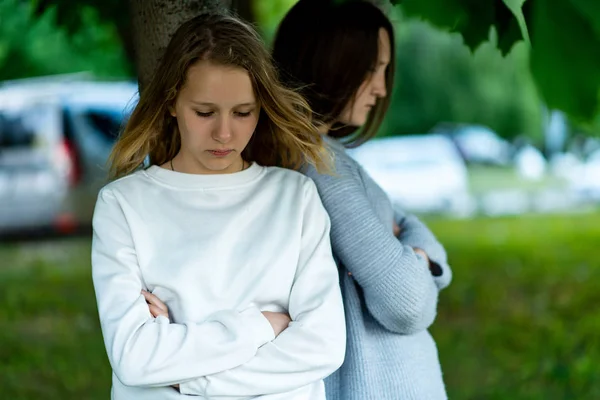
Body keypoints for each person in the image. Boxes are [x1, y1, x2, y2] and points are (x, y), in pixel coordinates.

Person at [91, 13, 345, 400]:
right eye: (205, 112)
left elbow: (323, 344)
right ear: (172, 102)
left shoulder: (295, 197)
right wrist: (262, 327)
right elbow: (134, 357)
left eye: (243, 113)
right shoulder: (123, 205)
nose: (225, 133)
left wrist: (188, 377)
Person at [272, 1, 453, 399]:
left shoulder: (320, 159)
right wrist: (420, 258)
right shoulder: (321, 168)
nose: (382, 87)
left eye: (384, 71)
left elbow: (407, 225)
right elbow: (406, 303)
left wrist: (410, 249)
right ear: (329, 61)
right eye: (372, 69)